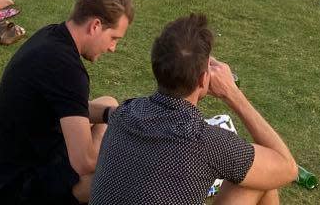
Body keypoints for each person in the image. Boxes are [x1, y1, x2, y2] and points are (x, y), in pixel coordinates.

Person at [90, 13, 297, 205]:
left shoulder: (125, 113)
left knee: (258, 174)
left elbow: (99, 111)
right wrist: (233, 94)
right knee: (260, 179)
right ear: (203, 78)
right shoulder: (206, 142)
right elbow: (287, 169)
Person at [0, 0, 133, 205]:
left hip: (5, 168)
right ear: (96, 26)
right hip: (18, 188)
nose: (113, 48)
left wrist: (114, 114)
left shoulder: (52, 35)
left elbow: (70, 105)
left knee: (109, 103)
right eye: (113, 38)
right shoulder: (66, 69)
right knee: (120, 182)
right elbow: (85, 163)